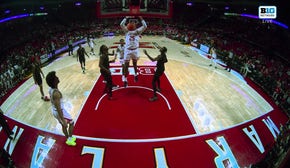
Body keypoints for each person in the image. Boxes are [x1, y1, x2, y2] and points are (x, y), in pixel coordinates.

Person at [46, 71, 76, 146]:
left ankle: (68, 138)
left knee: (63, 125)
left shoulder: (50, 89)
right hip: (59, 111)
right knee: (71, 123)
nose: (57, 77)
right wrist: (63, 119)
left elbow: (52, 99)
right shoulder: (56, 93)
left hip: (54, 111)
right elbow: (58, 107)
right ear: (54, 81)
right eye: (56, 77)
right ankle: (69, 139)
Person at [120, 16, 147, 87]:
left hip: (135, 50)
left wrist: (141, 18)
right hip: (128, 50)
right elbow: (121, 24)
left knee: (135, 64)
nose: (131, 24)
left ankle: (135, 75)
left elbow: (145, 26)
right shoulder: (127, 32)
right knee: (126, 66)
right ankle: (125, 79)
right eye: (130, 23)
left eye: (133, 23)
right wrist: (126, 17)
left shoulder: (137, 32)